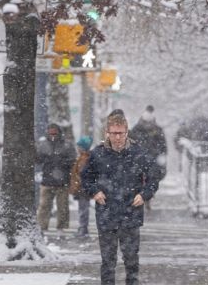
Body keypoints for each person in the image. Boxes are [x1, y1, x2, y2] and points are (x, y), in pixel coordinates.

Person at [81, 109, 160, 285]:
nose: (118, 138)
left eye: (121, 133)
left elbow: (154, 176)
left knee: (131, 260)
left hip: (131, 213)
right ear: (107, 133)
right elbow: (85, 177)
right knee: (108, 262)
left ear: (127, 132)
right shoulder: (98, 154)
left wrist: (144, 194)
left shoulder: (138, 153)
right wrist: (95, 191)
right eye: (114, 133)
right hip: (106, 213)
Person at [36, 123, 77, 232]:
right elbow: (37, 160)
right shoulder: (43, 145)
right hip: (47, 181)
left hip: (62, 181)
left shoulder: (67, 145)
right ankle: (42, 226)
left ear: (59, 133)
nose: (53, 136)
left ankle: (62, 227)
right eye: (51, 134)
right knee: (44, 206)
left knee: (62, 207)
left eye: (55, 133)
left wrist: (62, 162)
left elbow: (73, 160)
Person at [129, 105, 167, 210]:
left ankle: (142, 197)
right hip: (151, 157)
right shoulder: (157, 129)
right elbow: (162, 143)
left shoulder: (137, 129)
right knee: (152, 178)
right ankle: (147, 197)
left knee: (141, 178)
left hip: (141, 157)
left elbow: (131, 140)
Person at [68, 135, 93, 238]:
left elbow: (80, 175)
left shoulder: (84, 159)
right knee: (83, 209)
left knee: (83, 210)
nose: (77, 148)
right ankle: (82, 228)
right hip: (82, 188)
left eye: (79, 146)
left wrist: (77, 186)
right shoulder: (83, 157)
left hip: (82, 188)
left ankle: (83, 229)